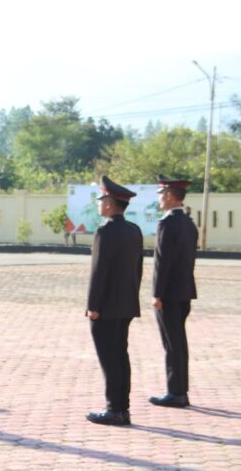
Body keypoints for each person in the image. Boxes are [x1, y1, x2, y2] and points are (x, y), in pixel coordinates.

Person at [86, 175, 143, 426]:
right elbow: (138, 270)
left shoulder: (104, 232)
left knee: (110, 359)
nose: (99, 204)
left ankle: (114, 410)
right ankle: (123, 408)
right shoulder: (134, 230)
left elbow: (98, 273)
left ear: (109, 203)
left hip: (106, 308)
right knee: (121, 357)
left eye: (101, 200)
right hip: (126, 304)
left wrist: (93, 306)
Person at [149, 174, 198, 408]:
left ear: (169, 195)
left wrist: (157, 293)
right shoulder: (188, 222)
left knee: (172, 343)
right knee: (178, 342)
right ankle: (180, 390)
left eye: (161, 194)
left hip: (168, 293)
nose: (159, 198)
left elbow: (162, 262)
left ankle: (176, 392)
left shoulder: (167, 223)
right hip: (184, 290)